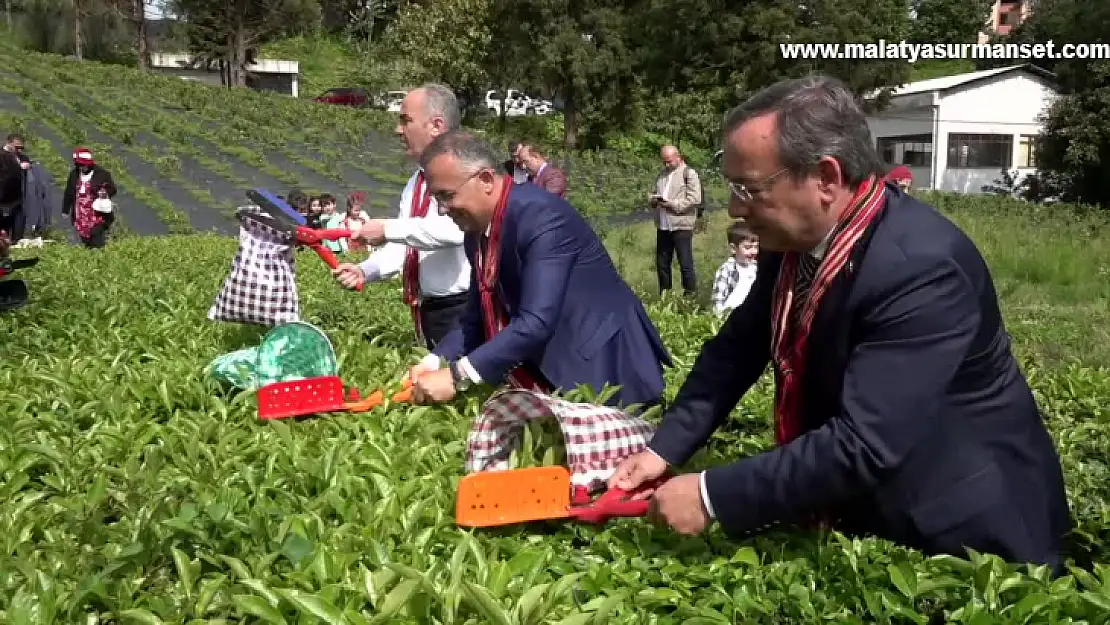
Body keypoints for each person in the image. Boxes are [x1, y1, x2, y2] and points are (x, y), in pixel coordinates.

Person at [609, 75, 1071, 572]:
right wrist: (664, 447)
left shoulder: (918, 267)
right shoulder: (793, 242)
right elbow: (742, 344)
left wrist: (712, 495)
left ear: (826, 178)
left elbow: (865, 442)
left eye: (750, 188)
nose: (737, 209)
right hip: (863, 510)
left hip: (962, 534)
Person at [406, 130, 672, 410]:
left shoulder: (540, 216)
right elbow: (473, 319)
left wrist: (458, 375)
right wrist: (433, 361)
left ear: (485, 180)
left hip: (605, 363)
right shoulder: (475, 232)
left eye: (447, 196)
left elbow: (536, 322)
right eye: (437, 198)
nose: (443, 209)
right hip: (552, 365)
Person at [332, 84, 471, 349]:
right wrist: (365, 270)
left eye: (406, 120)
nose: (398, 130)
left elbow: (454, 231)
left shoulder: (464, 171)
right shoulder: (415, 182)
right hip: (427, 309)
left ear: (436, 125)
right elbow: (406, 246)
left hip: (460, 309)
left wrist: (386, 228)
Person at [651, 145, 702, 298]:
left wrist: (673, 204)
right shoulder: (662, 175)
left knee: (685, 263)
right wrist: (654, 200)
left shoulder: (689, 173)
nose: (667, 165)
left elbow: (695, 198)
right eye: (664, 162)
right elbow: (657, 192)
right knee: (662, 263)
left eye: (669, 161)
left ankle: (690, 297)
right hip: (663, 224)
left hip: (681, 224)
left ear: (678, 157)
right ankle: (665, 297)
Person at [62, 147, 117, 248]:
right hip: (80, 214)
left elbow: (113, 189)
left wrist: (105, 193)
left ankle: (99, 259)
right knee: (85, 241)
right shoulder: (74, 174)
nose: (82, 167)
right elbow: (69, 192)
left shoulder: (102, 174)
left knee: (96, 241)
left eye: (84, 165)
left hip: (96, 214)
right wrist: (65, 210)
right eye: (79, 165)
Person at [711, 221, 758, 317]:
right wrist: (718, 317)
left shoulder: (756, 268)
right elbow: (718, 299)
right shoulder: (728, 269)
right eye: (748, 247)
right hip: (730, 317)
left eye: (756, 247)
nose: (753, 251)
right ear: (733, 248)